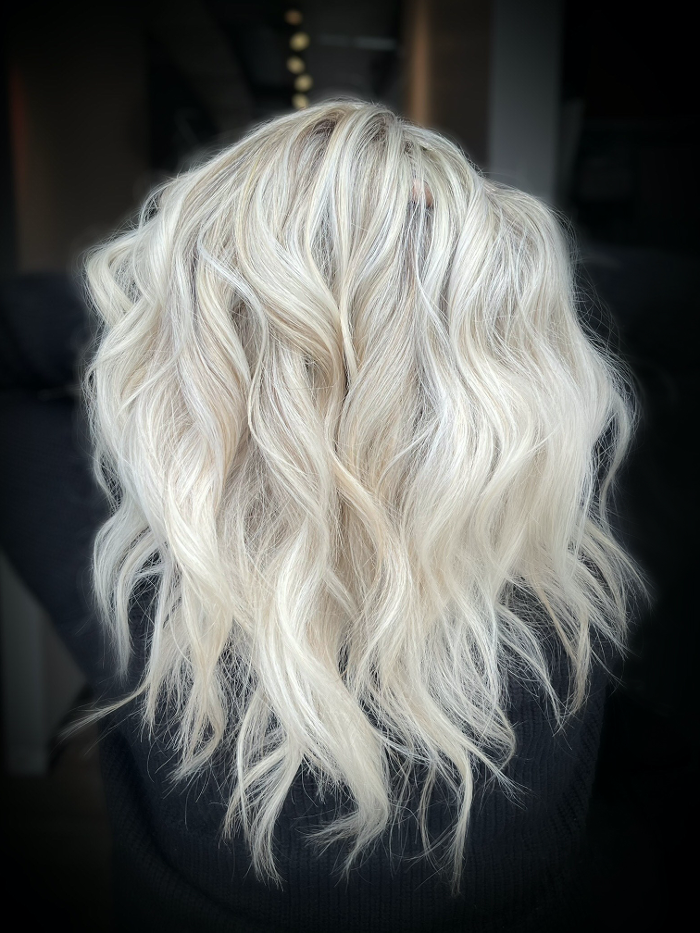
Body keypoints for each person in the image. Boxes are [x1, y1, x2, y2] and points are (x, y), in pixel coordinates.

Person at [1, 100, 646, 932]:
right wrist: (443, 276)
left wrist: (190, 286)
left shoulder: (133, 580)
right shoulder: (575, 568)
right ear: (510, 344)